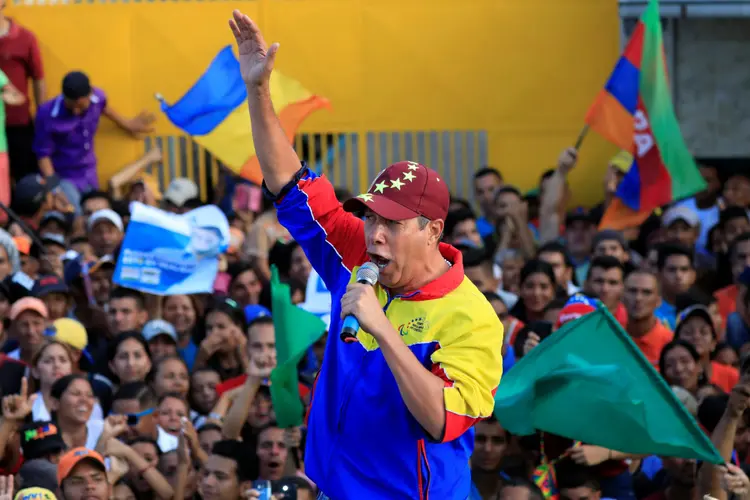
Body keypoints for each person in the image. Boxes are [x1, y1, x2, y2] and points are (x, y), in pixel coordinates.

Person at [228, 10, 504, 498]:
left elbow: (443, 421)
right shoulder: (358, 252)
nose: (374, 233)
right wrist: (257, 91)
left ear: (432, 230)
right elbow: (290, 185)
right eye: (371, 216)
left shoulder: (472, 318)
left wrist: (381, 328)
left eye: (392, 224)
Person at [33, 71, 155, 196]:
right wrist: (55, 189)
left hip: (89, 173)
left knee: (95, 207)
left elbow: (105, 109)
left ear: (90, 95)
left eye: (81, 107)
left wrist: (128, 124)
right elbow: (43, 155)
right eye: (71, 107)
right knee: (75, 212)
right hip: (64, 176)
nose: (75, 111)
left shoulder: (98, 99)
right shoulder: (46, 114)